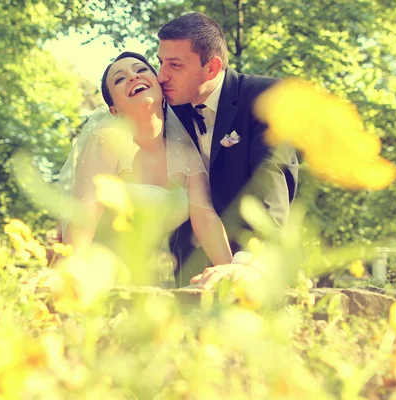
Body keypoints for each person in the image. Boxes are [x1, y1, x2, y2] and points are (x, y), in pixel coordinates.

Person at [57, 52, 233, 286]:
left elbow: (205, 219)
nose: (132, 77)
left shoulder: (187, 156)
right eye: (120, 79)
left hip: (156, 280)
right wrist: (67, 278)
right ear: (114, 110)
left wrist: (232, 273)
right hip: (99, 273)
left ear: (160, 89)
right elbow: (84, 216)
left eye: (140, 70)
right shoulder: (106, 142)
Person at [157, 13, 299, 287]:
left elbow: (270, 178)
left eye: (175, 65)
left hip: (256, 267)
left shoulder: (265, 96)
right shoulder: (166, 109)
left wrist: (248, 264)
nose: (162, 76)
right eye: (161, 62)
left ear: (212, 68)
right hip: (188, 273)